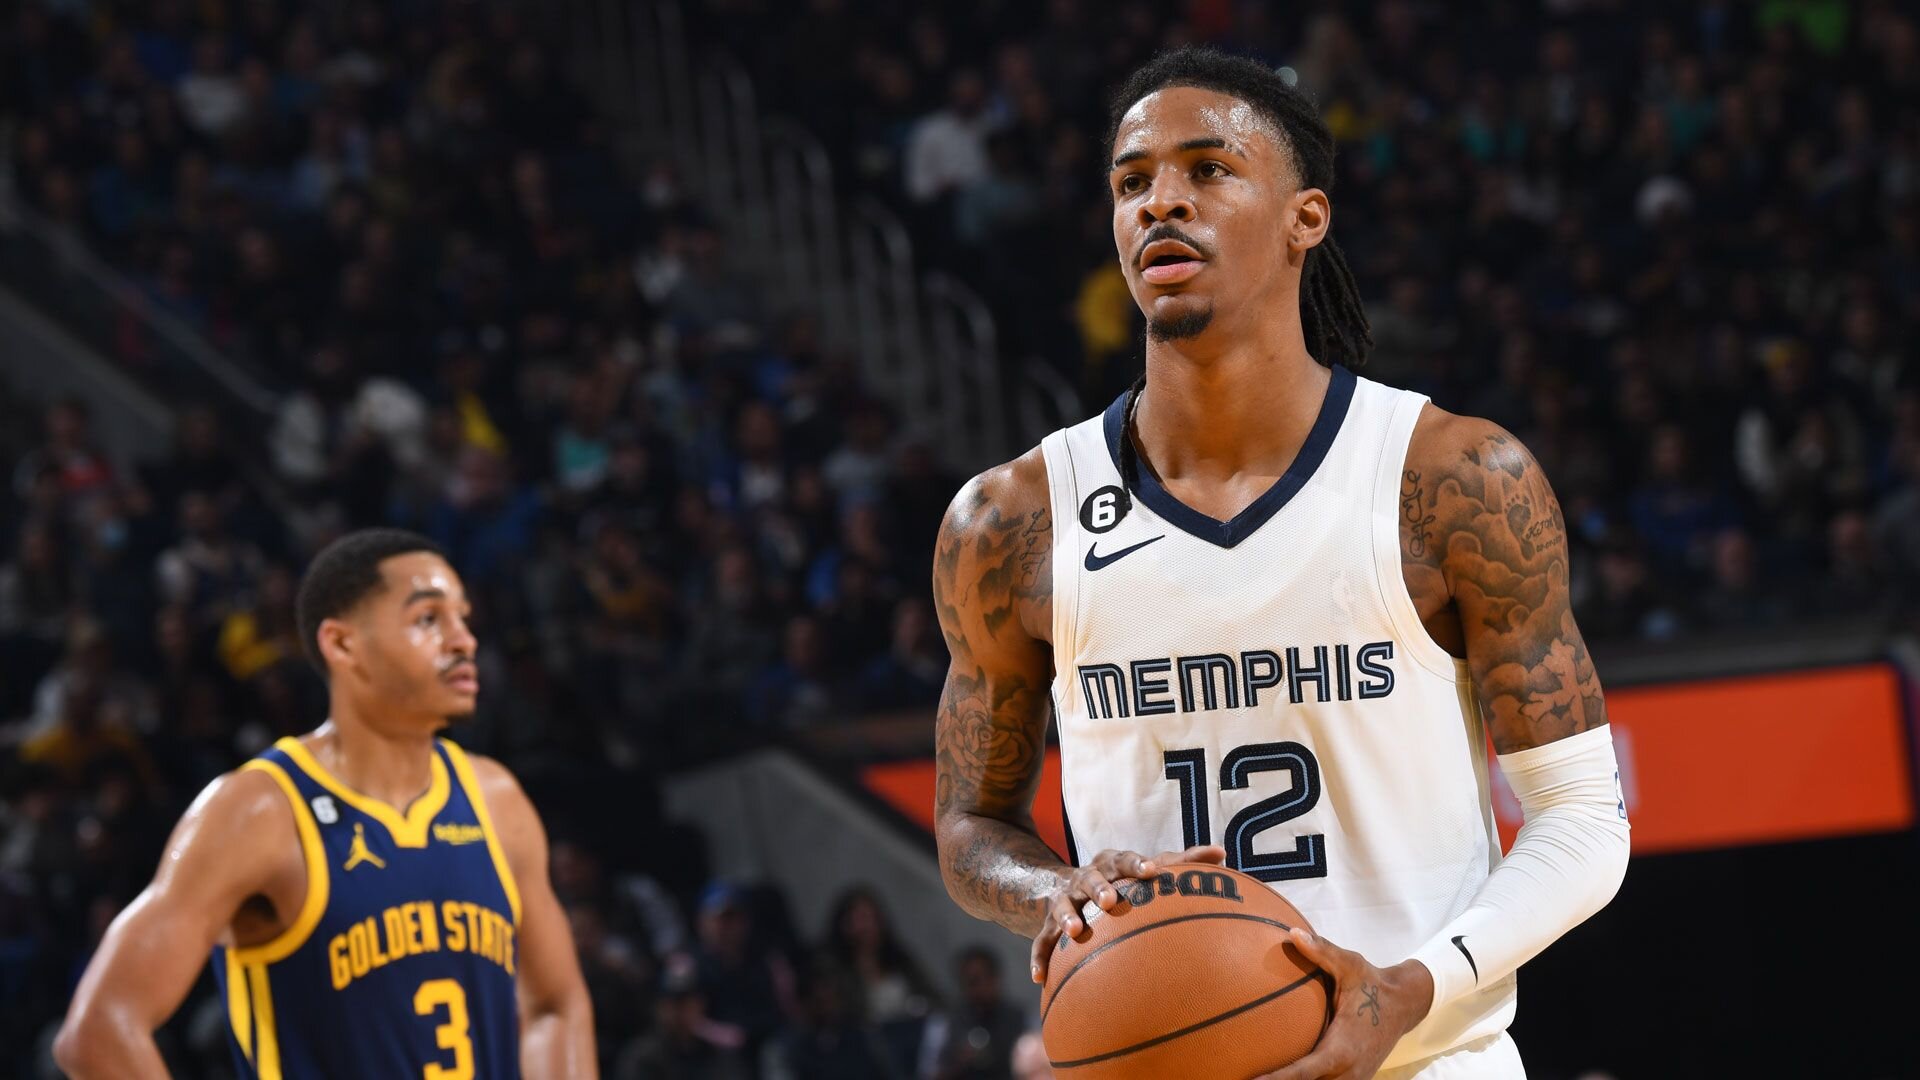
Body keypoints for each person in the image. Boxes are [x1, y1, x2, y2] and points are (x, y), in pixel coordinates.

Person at [931, 48, 1629, 1080]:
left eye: (1208, 170)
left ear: (1306, 216)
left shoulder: (1452, 479)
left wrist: (1415, 985)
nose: (1162, 201)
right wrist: (1056, 891)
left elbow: (1583, 820)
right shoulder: (1010, 522)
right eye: (1133, 182)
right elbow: (971, 823)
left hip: (1425, 1061)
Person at [54, 528, 596, 1077]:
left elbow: (555, 1005)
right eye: (429, 619)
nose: (464, 641)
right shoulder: (260, 809)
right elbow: (99, 1030)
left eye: (463, 617)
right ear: (342, 644)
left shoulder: (495, 800)